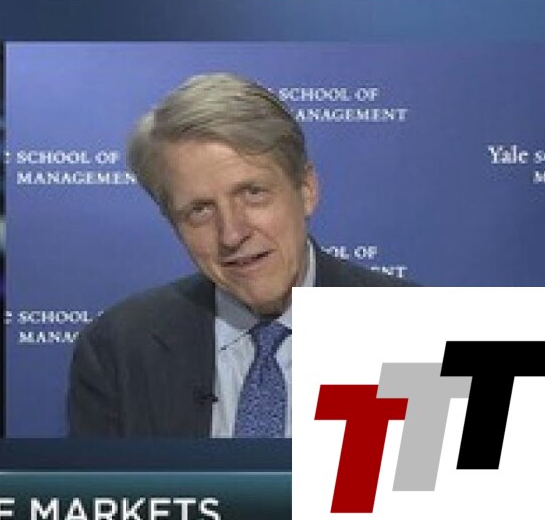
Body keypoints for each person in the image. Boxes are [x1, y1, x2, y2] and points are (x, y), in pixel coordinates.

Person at [67, 72, 411, 438]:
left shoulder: (415, 332)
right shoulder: (118, 348)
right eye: (200, 210)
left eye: (253, 193)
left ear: (306, 189)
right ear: (173, 223)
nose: (232, 234)